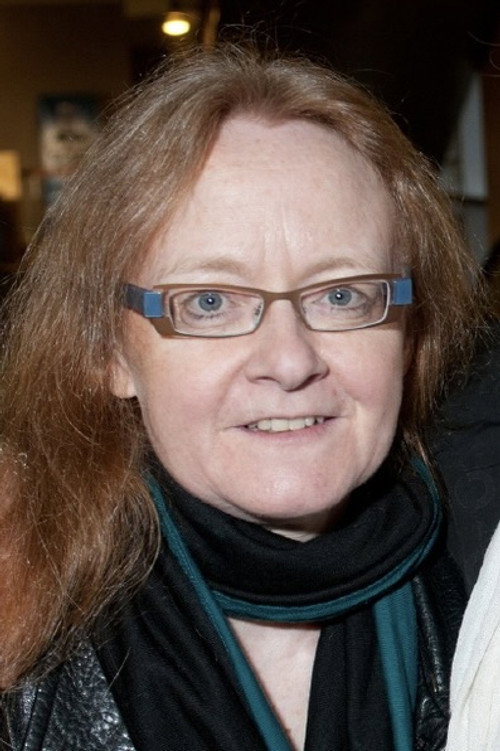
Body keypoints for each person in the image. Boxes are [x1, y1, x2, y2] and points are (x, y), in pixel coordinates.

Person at [0, 44, 484, 751]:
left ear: (409, 335)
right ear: (109, 351)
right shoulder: (19, 621)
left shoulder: (479, 588)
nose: (289, 361)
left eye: (342, 295)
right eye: (209, 301)